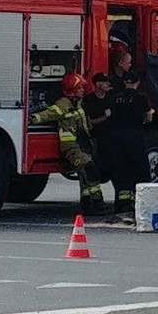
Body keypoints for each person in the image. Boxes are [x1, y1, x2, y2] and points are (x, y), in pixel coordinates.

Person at [29, 72, 105, 216]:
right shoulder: (64, 104)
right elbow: (49, 114)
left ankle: (88, 204)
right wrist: (33, 118)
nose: (83, 90)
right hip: (72, 147)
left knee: (85, 175)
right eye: (80, 87)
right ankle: (97, 202)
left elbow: (84, 123)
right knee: (90, 170)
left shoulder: (78, 103)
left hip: (83, 144)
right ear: (73, 89)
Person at [109, 70, 152, 215]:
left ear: (124, 82)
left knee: (121, 171)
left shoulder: (116, 98)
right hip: (135, 138)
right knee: (140, 171)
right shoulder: (142, 98)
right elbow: (148, 118)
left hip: (117, 138)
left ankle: (121, 204)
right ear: (137, 83)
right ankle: (139, 203)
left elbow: (111, 116)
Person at [82, 71, 116, 182]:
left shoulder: (111, 98)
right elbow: (88, 122)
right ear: (97, 84)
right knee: (94, 163)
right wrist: (104, 118)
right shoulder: (88, 101)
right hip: (95, 138)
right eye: (105, 82)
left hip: (109, 138)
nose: (108, 84)